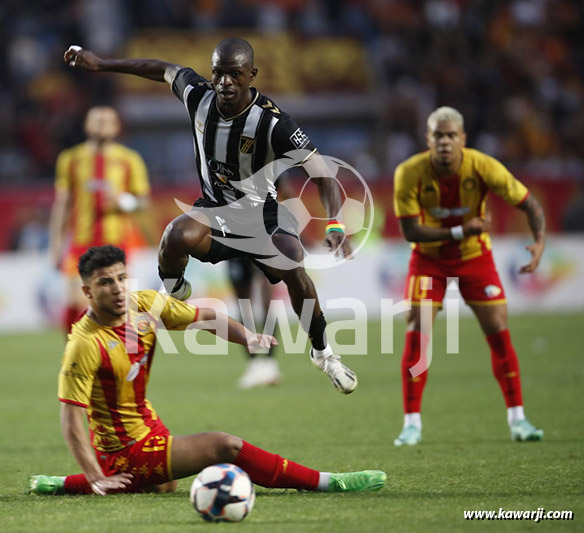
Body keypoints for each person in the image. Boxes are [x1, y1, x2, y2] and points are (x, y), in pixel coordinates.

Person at [62, 40, 357, 394]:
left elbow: (322, 172)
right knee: (174, 236)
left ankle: (323, 352)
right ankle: (176, 291)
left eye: (235, 74)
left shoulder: (273, 122)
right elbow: (162, 67)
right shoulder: (197, 96)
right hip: (216, 214)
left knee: (294, 263)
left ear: (252, 75)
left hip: (263, 220)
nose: (225, 82)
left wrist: (336, 222)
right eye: (219, 73)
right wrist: (102, 64)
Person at [29, 245, 386, 495]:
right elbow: (70, 419)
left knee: (163, 485)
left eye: (122, 278)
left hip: (147, 424)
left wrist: (247, 338)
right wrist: (95, 475)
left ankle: (62, 483)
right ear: (87, 291)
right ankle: (328, 481)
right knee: (223, 445)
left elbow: (207, 317)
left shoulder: (145, 306)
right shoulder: (83, 343)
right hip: (123, 447)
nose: (118, 289)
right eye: (106, 283)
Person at [392, 106, 546, 446]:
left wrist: (538, 242)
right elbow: (411, 232)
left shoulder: (483, 166)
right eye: (438, 135)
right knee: (418, 329)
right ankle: (411, 423)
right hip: (428, 260)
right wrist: (463, 230)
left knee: (499, 332)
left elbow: (529, 204)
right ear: (427, 138)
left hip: (474, 259)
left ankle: (518, 419)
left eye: (451, 136)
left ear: (463, 138)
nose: (444, 142)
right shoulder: (409, 172)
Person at [49, 106, 151, 333]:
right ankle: (75, 356)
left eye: (108, 121)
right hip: (81, 242)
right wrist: (56, 245)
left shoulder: (129, 159)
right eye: (97, 120)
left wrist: (122, 201)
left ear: (117, 127)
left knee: (113, 306)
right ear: (87, 125)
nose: (103, 124)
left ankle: (110, 359)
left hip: (116, 243)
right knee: (76, 303)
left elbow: (143, 201)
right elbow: (62, 204)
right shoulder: (70, 159)